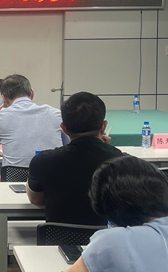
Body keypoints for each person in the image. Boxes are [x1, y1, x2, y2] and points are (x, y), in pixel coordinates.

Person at [27, 92, 122, 225]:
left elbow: (35, 200)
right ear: (103, 127)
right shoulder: (121, 161)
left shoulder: (42, 161)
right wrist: (105, 147)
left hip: (58, 237)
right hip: (106, 236)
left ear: (64, 128)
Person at [0, 74, 69, 167]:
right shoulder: (56, 114)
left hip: (15, 176)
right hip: (54, 175)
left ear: (4, 98)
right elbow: (67, 146)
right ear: (32, 93)